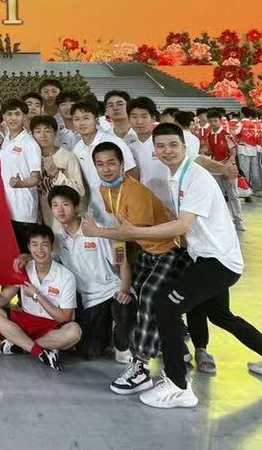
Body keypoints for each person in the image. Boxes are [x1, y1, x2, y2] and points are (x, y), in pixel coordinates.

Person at [134, 123, 262, 409]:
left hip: (217, 260)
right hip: (209, 257)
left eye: (173, 145)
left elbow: (183, 224)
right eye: (161, 146)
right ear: (154, 151)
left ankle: (178, 386)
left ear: (184, 147)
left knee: (165, 306)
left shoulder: (195, 177)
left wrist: (133, 232)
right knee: (222, 316)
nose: (167, 151)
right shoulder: (177, 174)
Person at [72, 145, 190, 395]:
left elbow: (133, 233)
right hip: (147, 252)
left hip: (169, 250)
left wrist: (98, 233)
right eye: (100, 164)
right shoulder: (106, 189)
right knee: (136, 297)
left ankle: (141, 366)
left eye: (111, 163)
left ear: (122, 165)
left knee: (149, 299)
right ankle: (177, 344)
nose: (106, 169)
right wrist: (123, 273)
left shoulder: (135, 192)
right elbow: (121, 231)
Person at [0, 223, 81, 371]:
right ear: (28, 247)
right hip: (26, 321)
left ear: (52, 247)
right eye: (34, 245)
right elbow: (4, 297)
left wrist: (36, 295)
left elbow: (64, 318)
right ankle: (40, 351)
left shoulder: (66, 276)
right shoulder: (24, 269)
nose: (39, 250)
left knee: (74, 332)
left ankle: (20, 344)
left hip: (51, 326)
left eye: (44, 245)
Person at [46, 182, 130, 363]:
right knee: (88, 352)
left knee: (124, 306)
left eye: (66, 204)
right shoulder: (58, 238)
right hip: (90, 299)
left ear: (76, 207)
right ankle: (108, 330)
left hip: (112, 290)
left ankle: (123, 343)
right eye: (55, 205)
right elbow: (46, 259)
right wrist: (26, 257)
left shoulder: (96, 229)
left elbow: (122, 261)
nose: (60, 210)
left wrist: (125, 290)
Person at [0, 100, 43, 252]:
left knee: (26, 254)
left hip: (24, 212)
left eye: (17, 114)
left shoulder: (30, 144)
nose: (13, 118)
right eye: (9, 114)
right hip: (7, 208)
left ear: (24, 117)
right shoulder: (6, 140)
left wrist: (20, 184)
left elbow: (36, 178)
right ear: (3, 117)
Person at [31, 114, 84, 226]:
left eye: (47, 131)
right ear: (32, 134)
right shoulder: (31, 159)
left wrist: (56, 174)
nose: (42, 135)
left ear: (55, 133)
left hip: (66, 220)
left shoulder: (68, 157)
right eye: (38, 131)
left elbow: (79, 191)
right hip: (41, 220)